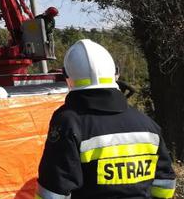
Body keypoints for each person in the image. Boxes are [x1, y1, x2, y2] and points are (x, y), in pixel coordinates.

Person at [36, 39, 176, 199]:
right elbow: (165, 184)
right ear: (114, 72)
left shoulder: (68, 122)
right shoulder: (147, 124)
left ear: (67, 75)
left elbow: (53, 191)